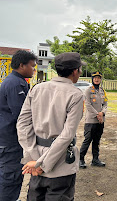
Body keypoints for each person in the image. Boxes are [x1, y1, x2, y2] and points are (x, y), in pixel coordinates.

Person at [16, 52, 85, 200]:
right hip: (59, 165)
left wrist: (34, 159)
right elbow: (66, 135)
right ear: (75, 71)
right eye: (80, 69)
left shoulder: (37, 88)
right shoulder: (76, 95)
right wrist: (43, 164)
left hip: (36, 160)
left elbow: (22, 124)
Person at [0, 50, 37, 201]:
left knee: (9, 178)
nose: (34, 70)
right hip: (11, 142)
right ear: (22, 65)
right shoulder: (16, 84)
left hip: (8, 139)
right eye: (32, 66)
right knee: (10, 179)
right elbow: (22, 116)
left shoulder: (15, 81)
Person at [79, 71, 108, 168]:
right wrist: (97, 114)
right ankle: (80, 159)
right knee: (87, 140)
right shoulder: (88, 90)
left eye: (98, 78)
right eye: (95, 78)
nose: (97, 79)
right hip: (91, 120)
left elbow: (105, 104)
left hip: (100, 121)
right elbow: (87, 104)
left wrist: (102, 113)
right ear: (92, 79)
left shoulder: (102, 91)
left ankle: (95, 159)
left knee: (97, 140)